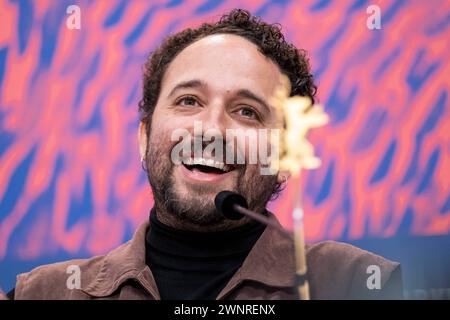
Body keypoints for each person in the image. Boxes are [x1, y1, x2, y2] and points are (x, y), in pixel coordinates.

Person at [9, 9, 402, 300]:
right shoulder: (43, 293)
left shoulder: (357, 282)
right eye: (188, 101)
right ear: (144, 138)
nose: (211, 129)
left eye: (246, 111)